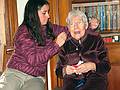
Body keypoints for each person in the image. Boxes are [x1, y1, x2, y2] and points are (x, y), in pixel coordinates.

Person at [0, 0, 68, 90]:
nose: (48, 16)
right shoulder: (23, 31)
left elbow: (71, 30)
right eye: (44, 13)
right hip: (15, 73)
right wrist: (56, 45)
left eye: (48, 12)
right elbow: (33, 60)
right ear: (34, 14)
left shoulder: (49, 28)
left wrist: (91, 27)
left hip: (35, 77)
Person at [56, 10, 111, 90]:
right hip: (71, 82)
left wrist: (92, 66)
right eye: (72, 24)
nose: (76, 27)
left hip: (95, 80)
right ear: (68, 28)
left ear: (86, 25)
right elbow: (58, 71)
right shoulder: (65, 45)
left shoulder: (96, 39)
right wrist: (65, 70)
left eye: (79, 23)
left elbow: (106, 65)